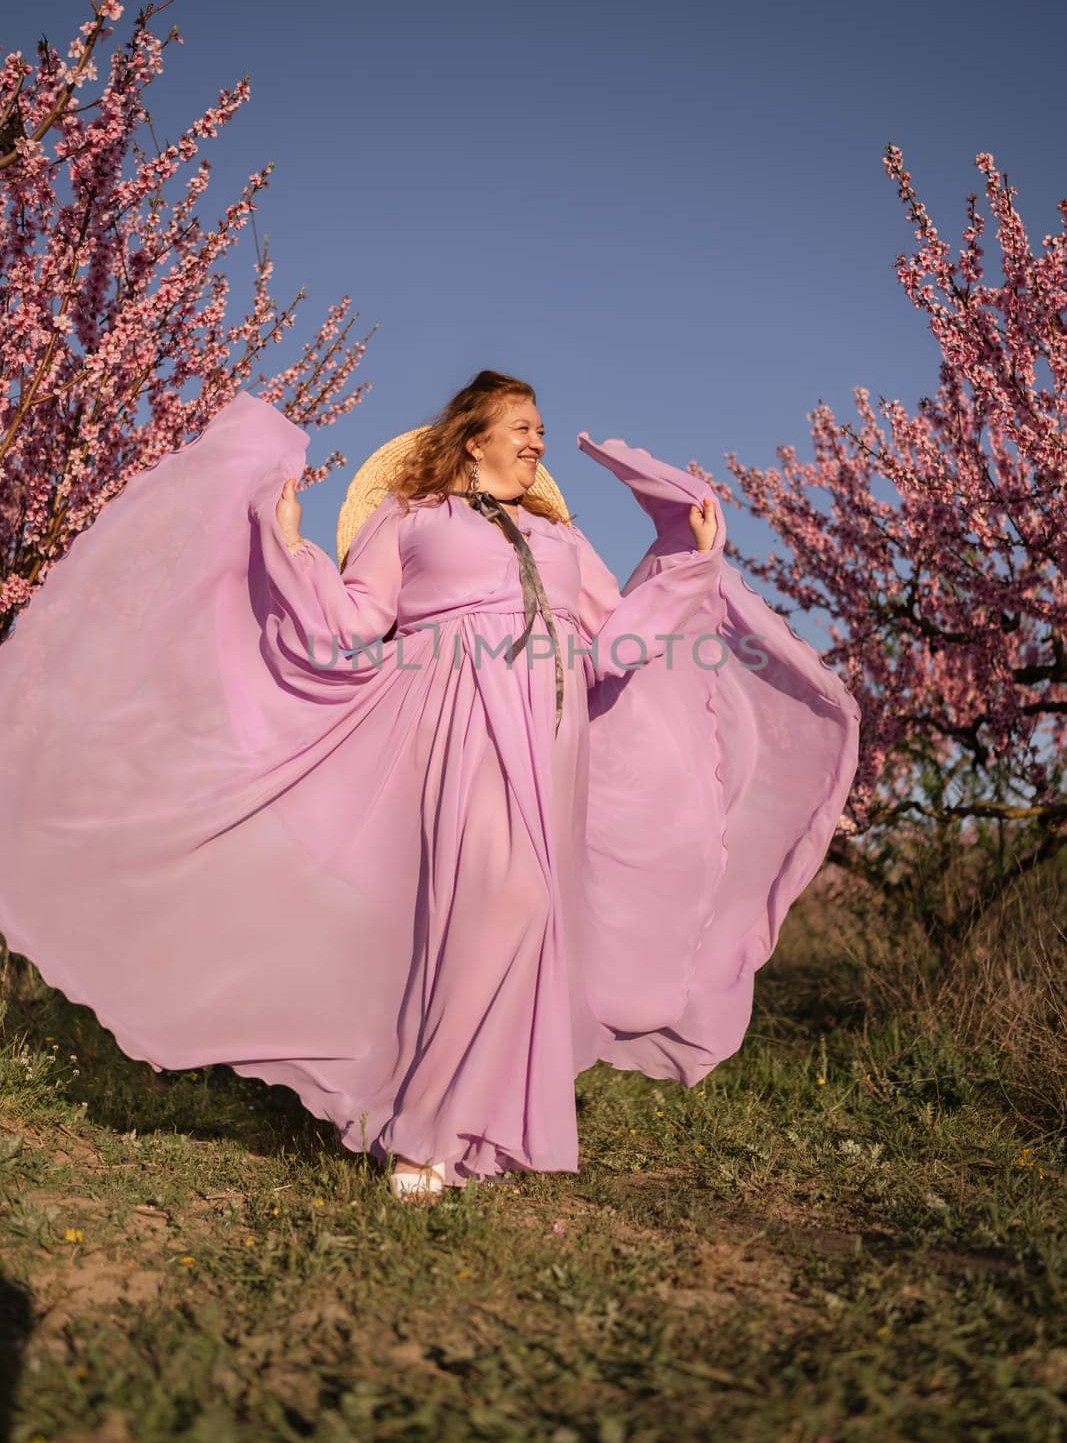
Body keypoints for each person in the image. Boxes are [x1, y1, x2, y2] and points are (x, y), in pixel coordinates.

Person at [0, 369, 861, 1202]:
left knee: (523, 914)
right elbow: (355, 618)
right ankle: (420, 1132)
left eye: (540, 431)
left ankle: (457, 1122)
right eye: (522, 426)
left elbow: (616, 645)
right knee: (497, 901)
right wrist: (290, 541)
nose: (537, 441)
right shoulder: (409, 519)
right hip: (447, 713)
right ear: (472, 437)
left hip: (550, 728)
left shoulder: (564, 541)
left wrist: (685, 565)